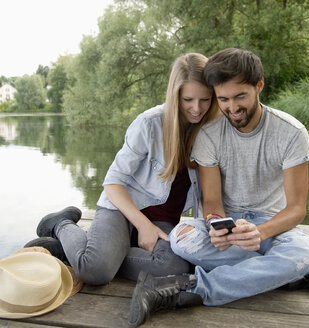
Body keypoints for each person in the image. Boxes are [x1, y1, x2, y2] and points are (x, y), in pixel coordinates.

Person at [127, 48, 309, 327]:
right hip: (226, 229)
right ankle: (299, 272)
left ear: (259, 86)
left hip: (271, 226)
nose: (232, 108)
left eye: (240, 96)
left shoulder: (292, 133)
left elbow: (297, 208)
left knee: (303, 250)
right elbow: (212, 201)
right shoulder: (208, 134)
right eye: (223, 99)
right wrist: (216, 224)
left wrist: (261, 232)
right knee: (181, 238)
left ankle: (187, 289)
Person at [25, 53, 218, 286]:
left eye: (205, 100)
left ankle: (91, 251)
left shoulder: (211, 130)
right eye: (188, 99)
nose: (196, 109)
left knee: (174, 267)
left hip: (163, 220)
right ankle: (61, 225)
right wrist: (143, 225)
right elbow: (113, 182)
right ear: (175, 94)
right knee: (95, 272)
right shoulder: (149, 124)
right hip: (122, 207)